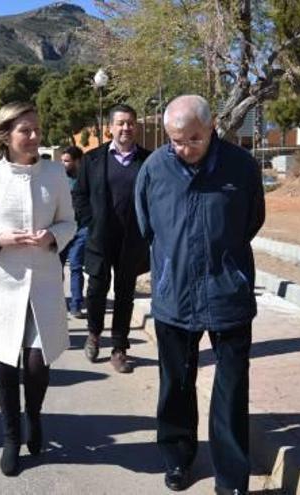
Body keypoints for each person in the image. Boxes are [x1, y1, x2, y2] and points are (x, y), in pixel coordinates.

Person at [135, 95, 265, 494]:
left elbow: (251, 220)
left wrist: (224, 261)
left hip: (228, 294)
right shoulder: (155, 168)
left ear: (211, 129)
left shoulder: (241, 167)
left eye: (192, 139)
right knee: (175, 384)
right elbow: (146, 226)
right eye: (175, 140)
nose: (183, 148)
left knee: (230, 392)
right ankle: (177, 458)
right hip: (175, 296)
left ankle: (231, 479)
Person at [0, 102, 76, 476]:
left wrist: (52, 236)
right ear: (6, 136)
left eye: (36, 130)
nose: (33, 137)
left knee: (37, 363)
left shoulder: (56, 173)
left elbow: (69, 222)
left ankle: (35, 415)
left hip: (43, 278)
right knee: (7, 363)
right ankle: (11, 436)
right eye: (25, 131)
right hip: (3, 282)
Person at [73, 104, 152, 373]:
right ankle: (94, 333)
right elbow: (80, 195)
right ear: (110, 127)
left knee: (124, 294)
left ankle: (119, 348)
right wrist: (90, 223)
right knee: (96, 290)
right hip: (99, 238)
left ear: (136, 126)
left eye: (130, 123)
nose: (126, 128)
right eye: (120, 123)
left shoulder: (148, 160)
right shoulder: (92, 159)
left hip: (132, 240)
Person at [58, 145, 87, 319]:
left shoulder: (86, 179)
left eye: (66, 161)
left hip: (81, 229)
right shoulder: (58, 179)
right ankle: (56, 302)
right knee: (56, 268)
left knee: (76, 266)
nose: (63, 164)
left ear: (77, 161)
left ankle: (76, 305)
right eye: (61, 160)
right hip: (61, 229)